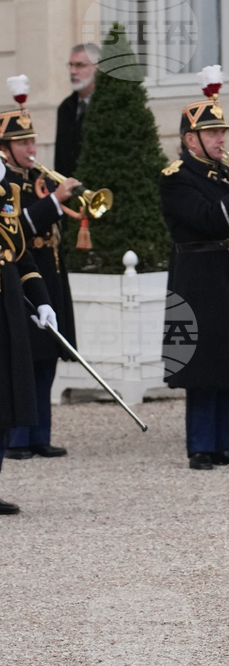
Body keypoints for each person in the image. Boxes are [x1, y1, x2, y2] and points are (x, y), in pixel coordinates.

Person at [159, 66, 229, 470]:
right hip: (199, 276)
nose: (220, 139)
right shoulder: (176, 178)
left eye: (222, 133)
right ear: (191, 139)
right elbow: (209, 218)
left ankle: (227, 442)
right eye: (211, 134)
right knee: (204, 361)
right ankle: (201, 446)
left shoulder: (228, 174)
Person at [0, 76, 79, 460]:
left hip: (46, 275)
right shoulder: (8, 186)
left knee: (47, 358)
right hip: (14, 280)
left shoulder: (39, 180)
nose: (30, 149)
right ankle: (18, 439)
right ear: (5, 149)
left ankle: (39, 435)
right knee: (22, 361)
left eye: (32, 141)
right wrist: (54, 203)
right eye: (22, 142)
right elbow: (19, 231)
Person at [0, 157, 58, 514]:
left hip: (6, 313)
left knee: (3, 403)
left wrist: (42, 302)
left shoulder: (11, 190)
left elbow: (22, 260)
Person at [55, 44, 99, 178]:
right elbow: (60, 157)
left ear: (97, 68)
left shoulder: (110, 105)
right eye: (71, 65)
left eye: (80, 65)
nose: (73, 71)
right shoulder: (65, 107)